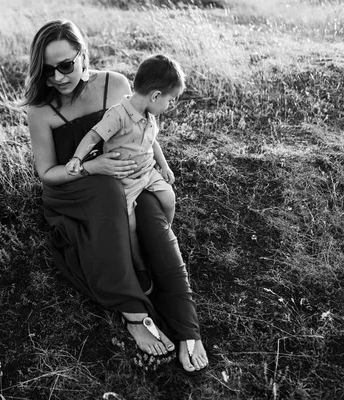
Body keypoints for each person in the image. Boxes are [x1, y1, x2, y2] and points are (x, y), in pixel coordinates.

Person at [24, 19, 208, 373]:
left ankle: (187, 327)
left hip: (128, 178)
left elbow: (142, 135)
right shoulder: (41, 110)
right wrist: (97, 167)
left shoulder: (116, 84)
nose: (58, 78)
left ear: (82, 55)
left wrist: (150, 169)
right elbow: (48, 173)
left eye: (65, 66)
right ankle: (134, 311)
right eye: (48, 71)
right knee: (109, 193)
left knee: (154, 222)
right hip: (73, 185)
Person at [65, 55, 183, 294]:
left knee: (169, 198)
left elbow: (153, 143)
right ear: (156, 96)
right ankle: (139, 264)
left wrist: (165, 166)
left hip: (147, 171)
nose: (169, 106)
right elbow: (93, 136)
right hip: (124, 178)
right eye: (170, 100)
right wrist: (77, 158)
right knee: (129, 225)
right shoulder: (118, 114)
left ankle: (161, 239)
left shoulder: (150, 116)